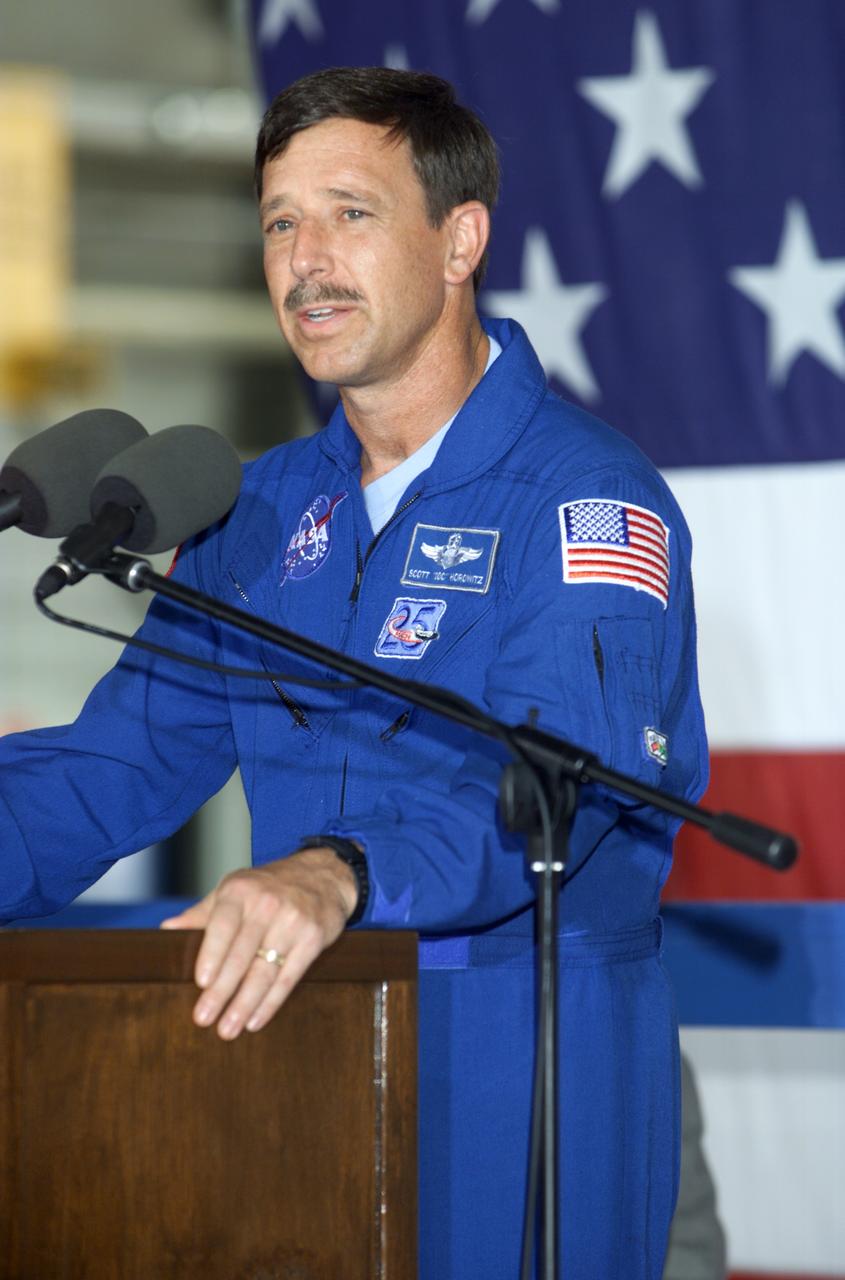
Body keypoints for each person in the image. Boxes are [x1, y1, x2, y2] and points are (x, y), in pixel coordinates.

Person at [0, 68, 708, 1278]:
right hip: (305, 1078)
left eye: (350, 213)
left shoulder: (585, 498)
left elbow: (554, 781)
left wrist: (337, 872)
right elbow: (115, 767)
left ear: (458, 239)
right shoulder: (254, 511)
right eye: (279, 221)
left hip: (523, 1067)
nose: (304, 259)